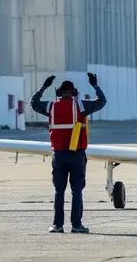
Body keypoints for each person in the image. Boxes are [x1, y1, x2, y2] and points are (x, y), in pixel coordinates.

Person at [29, 72, 106, 234]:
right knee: (76, 191)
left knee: (59, 191)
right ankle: (76, 225)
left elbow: (34, 103)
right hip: (77, 154)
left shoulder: (51, 107)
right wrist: (95, 85)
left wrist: (43, 87)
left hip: (58, 155)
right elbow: (102, 102)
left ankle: (57, 225)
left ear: (58, 92)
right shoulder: (80, 106)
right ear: (74, 92)